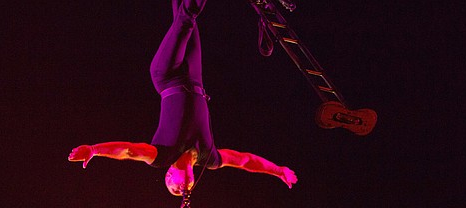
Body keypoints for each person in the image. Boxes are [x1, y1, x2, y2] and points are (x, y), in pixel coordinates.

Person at [67, 0, 298, 196]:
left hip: (166, 76)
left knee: (185, 19)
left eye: (174, 189)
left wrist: (94, 149)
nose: (182, 191)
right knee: (185, 16)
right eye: (183, 192)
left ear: (169, 173)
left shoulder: (161, 155)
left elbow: (128, 151)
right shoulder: (210, 158)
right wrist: (278, 171)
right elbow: (245, 161)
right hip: (194, 78)